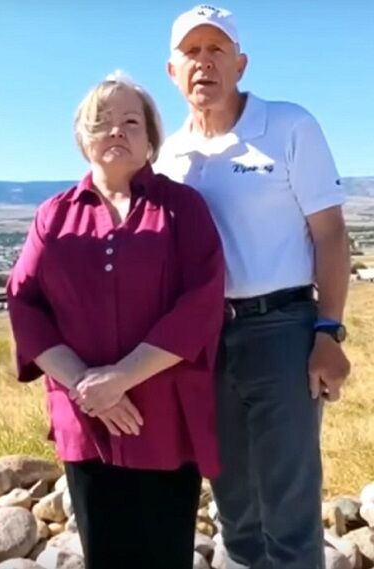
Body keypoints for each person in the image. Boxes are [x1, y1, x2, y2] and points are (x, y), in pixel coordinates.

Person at [154, 5, 351, 568]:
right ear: (172, 71)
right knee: (234, 501)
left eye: (217, 50)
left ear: (241, 64)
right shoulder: (169, 157)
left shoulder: (289, 125)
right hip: (206, 341)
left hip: (284, 332)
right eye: (191, 52)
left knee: (288, 502)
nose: (204, 63)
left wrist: (328, 330)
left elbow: (331, 234)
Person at [6, 74, 225, 568]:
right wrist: (87, 386)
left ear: (151, 138)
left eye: (131, 121)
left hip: (163, 416)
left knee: (165, 555)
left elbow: (203, 302)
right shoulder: (52, 216)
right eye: (100, 123)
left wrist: (120, 379)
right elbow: (24, 302)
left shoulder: (182, 208)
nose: (116, 132)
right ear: (82, 138)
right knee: (104, 554)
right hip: (85, 418)